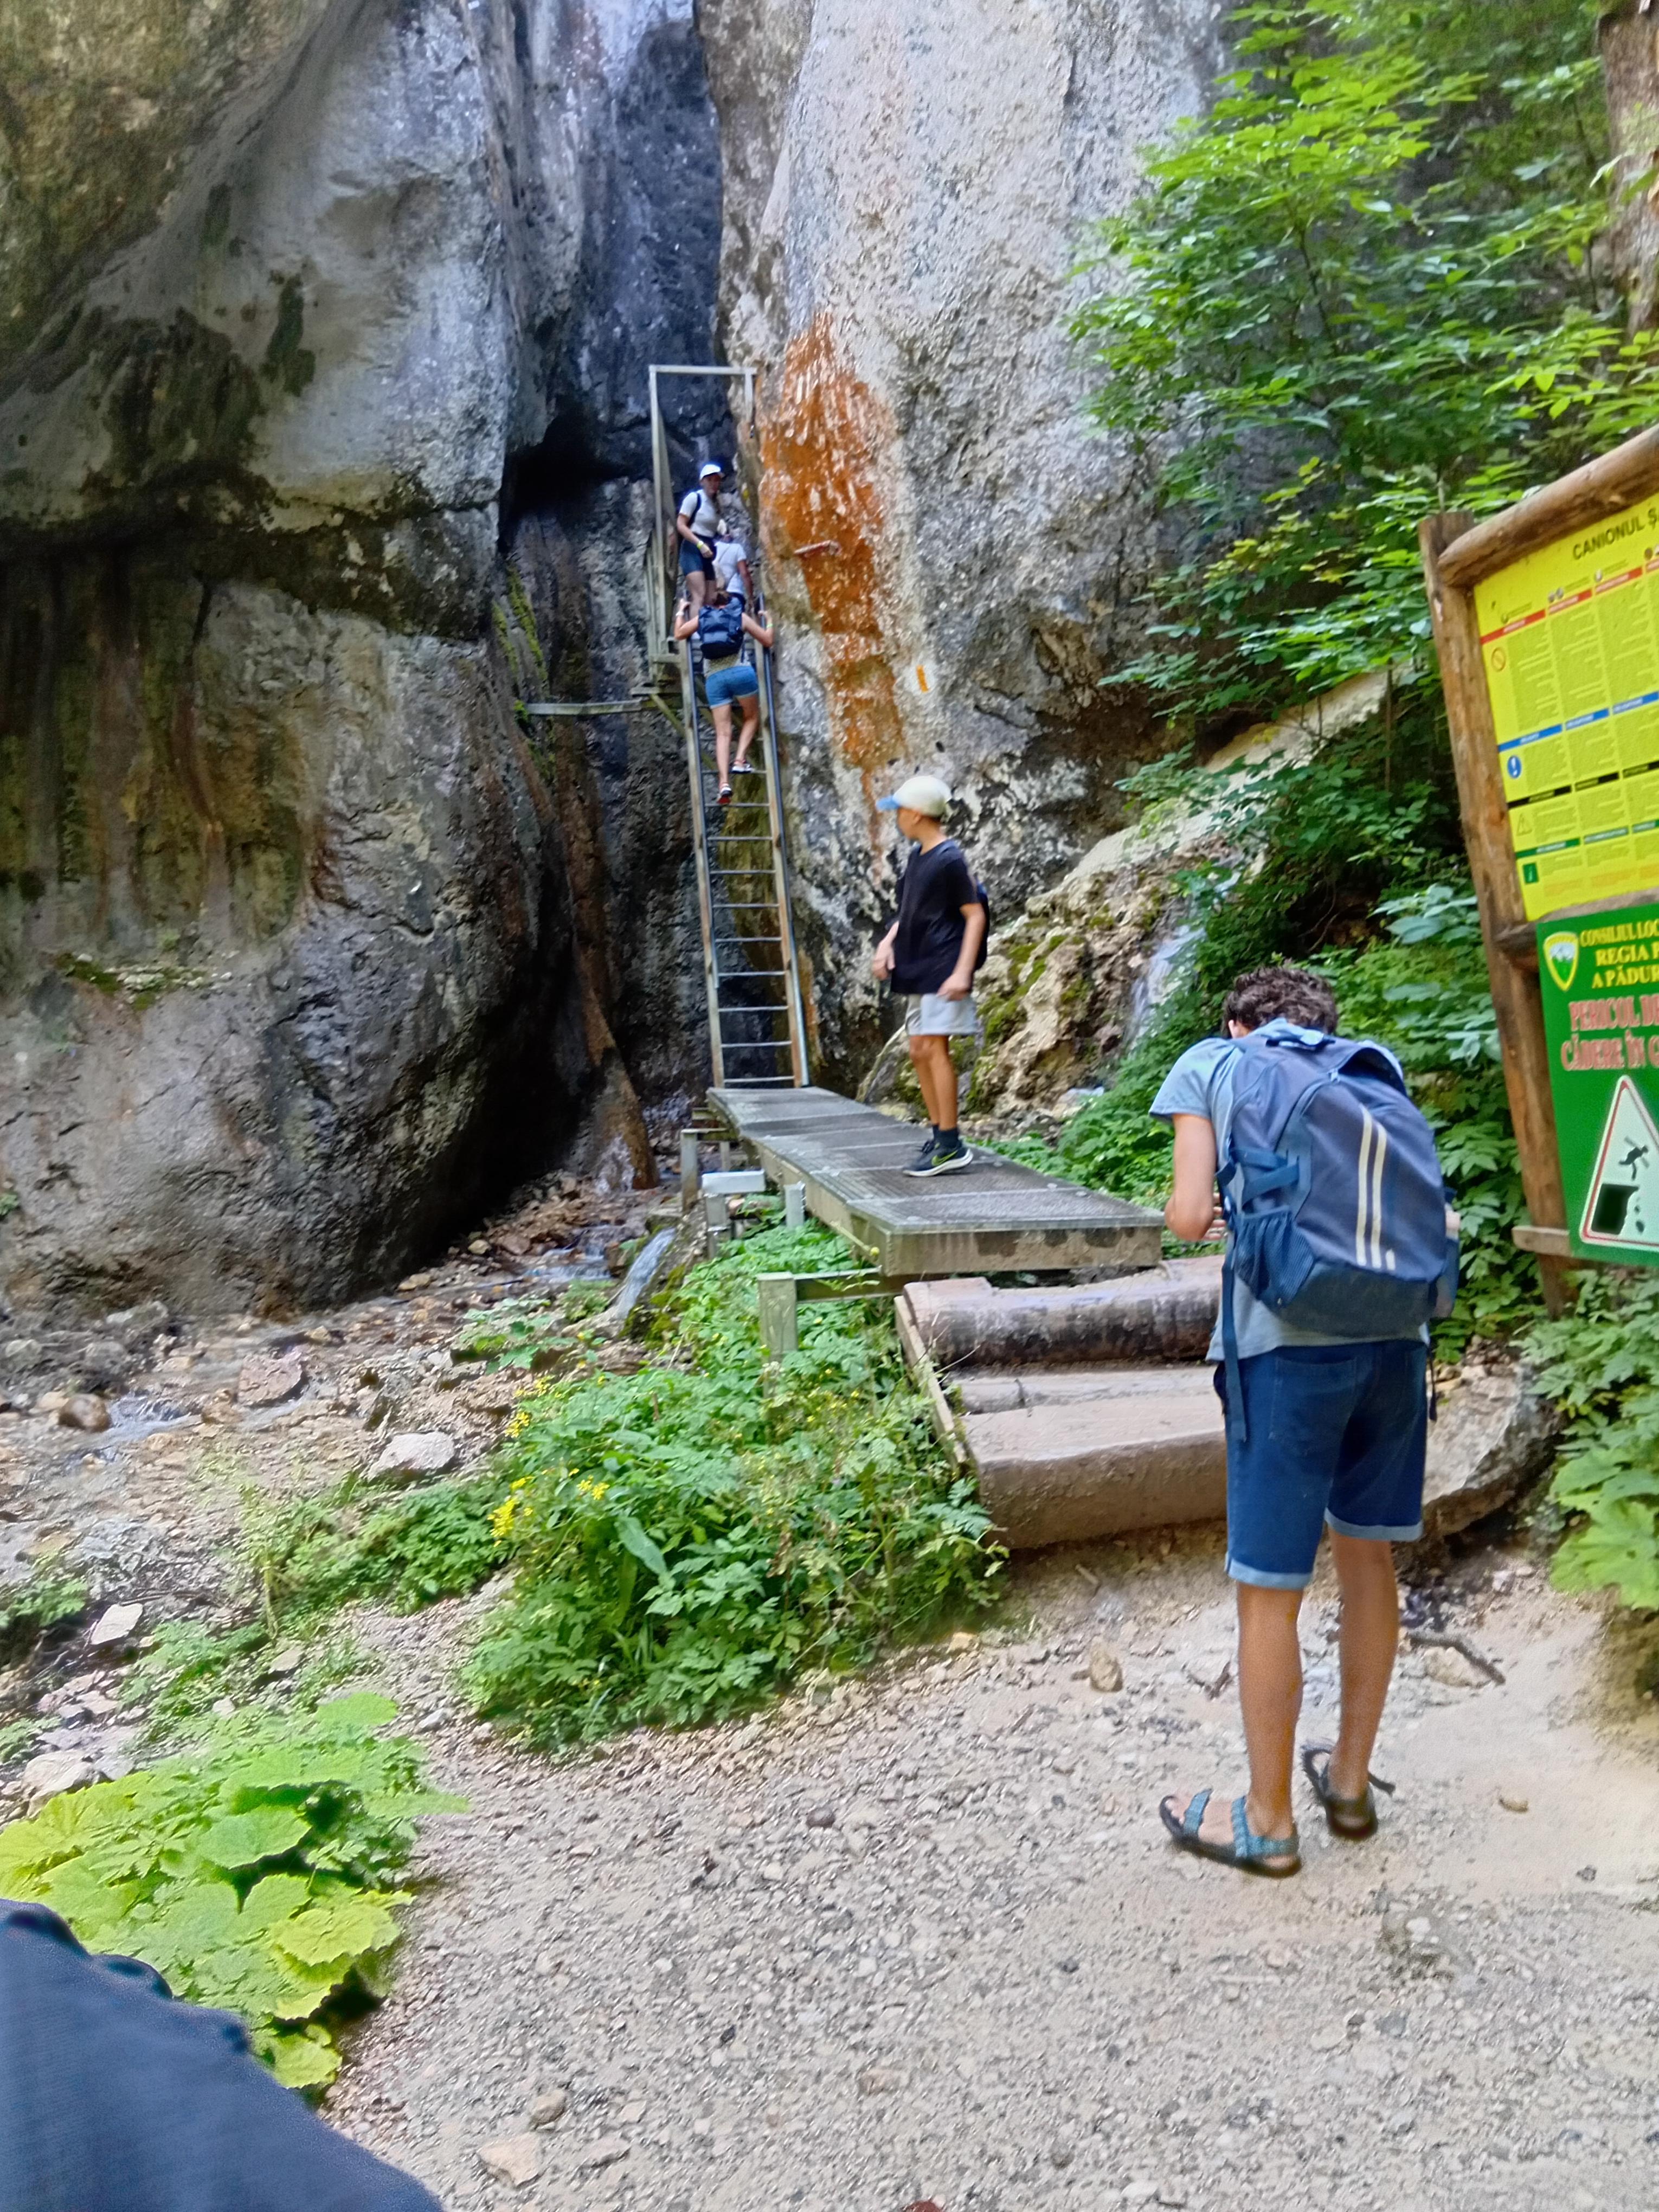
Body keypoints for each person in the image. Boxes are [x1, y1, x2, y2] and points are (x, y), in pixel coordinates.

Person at [1149, 965, 1452, 1877]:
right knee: (1368, 1559)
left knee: (1270, 1589)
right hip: (1397, 1340)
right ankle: (1350, 1787)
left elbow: (1189, 1216)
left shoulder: (1216, 1064)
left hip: (1285, 1350)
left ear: (1239, 1025)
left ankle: (1270, 1821)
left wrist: (1211, 1207)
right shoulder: (1370, 1069)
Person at [871, 774, 987, 1176]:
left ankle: (950, 1144)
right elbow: (909, 912)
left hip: (942, 966)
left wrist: (962, 972)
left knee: (935, 1048)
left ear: (917, 814)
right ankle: (939, 1135)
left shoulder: (950, 859)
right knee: (919, 1049)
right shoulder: (918, 856)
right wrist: (887, 945)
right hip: (919, 966)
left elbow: (975, 916)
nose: (897, 818)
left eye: (900, 811)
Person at [672, 589, 775, 805]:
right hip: (741, 673)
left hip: (715, 679)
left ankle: (724, 784)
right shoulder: (740, 616)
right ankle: (740, 760)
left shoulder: (704, 617)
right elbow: (767, 640)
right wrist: (770, 621)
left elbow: (679, 634)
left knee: (722, 733)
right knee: (752, 717)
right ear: (731, 603)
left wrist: (681, 611)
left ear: (713, 604)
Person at [676, 460, 723, 610]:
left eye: (716, 480)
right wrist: (700, 544)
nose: (714, 484)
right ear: (702, 482)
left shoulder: (716, 503)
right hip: (692, 548)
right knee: (699, 595)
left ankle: (707, 624)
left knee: (711, 598)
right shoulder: (695, 498)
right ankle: (695, 626)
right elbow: (681, 525)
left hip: (708, 549)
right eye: (710, 480)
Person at [712, 526, 752, 607]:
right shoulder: (737, 548)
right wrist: (751, 597)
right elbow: (745, 574)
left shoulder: (709, 548)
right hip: (734, 591)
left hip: (715, 594)